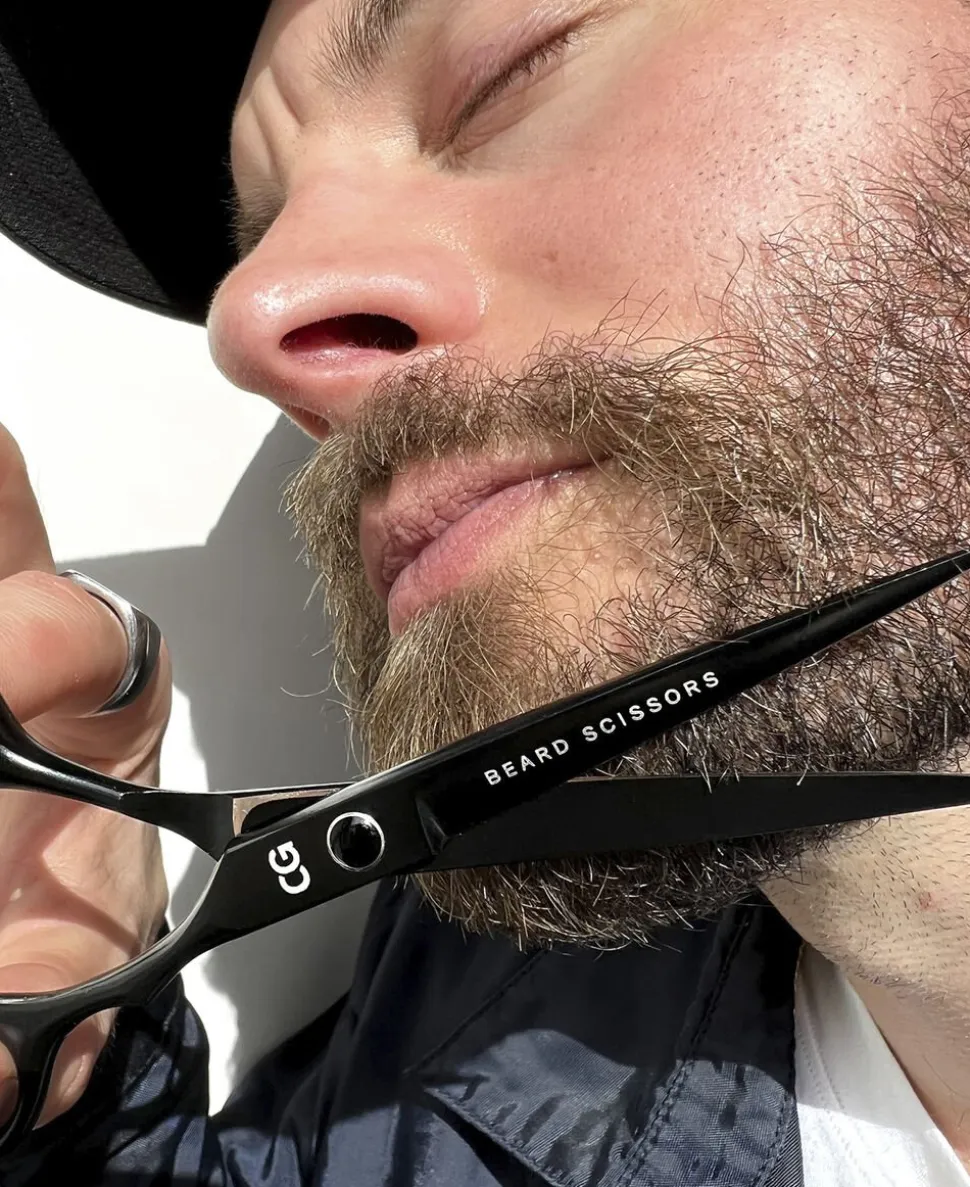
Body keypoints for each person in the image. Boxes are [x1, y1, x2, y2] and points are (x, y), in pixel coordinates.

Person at [2, 0, 970, 1182]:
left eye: (504, 66)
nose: (244, 320)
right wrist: (72, 1085)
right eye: (260, 236)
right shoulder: (479, 1013)